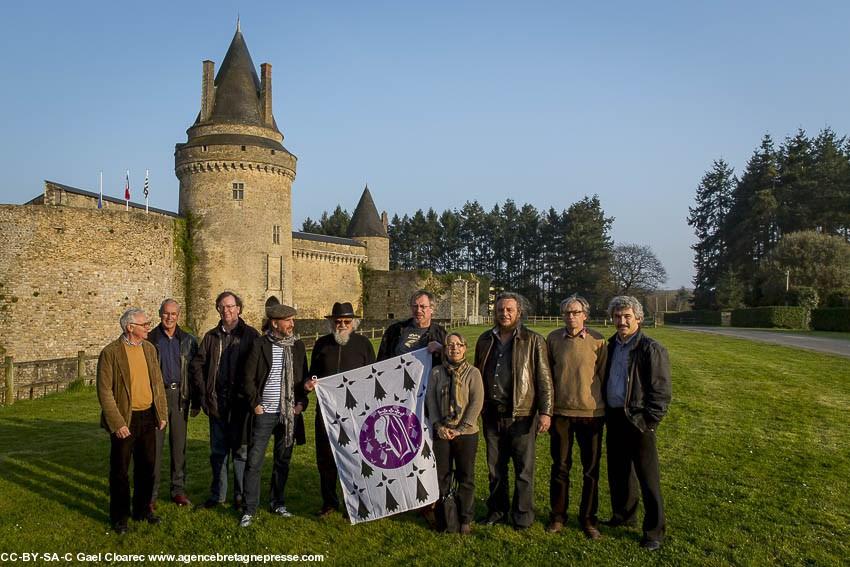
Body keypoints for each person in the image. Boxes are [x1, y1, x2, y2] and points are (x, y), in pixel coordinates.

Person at [474, 292, 552, 530]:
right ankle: (497, 510)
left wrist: (546, 411)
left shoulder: (534, 340)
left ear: (519, 312)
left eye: (509, 310)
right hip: (491, 414)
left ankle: (522, 515)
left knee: (523, 469)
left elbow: (544, 378)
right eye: (500, 310)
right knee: (495, 468)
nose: (504, 314)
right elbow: (477, 375)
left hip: (522, 414)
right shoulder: (485, 339)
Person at [602, 295, 672, 551]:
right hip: (614, 416)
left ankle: (654, 531)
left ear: (638, 319)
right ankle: (623, 516)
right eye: (618, 317)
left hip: (638, 419)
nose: (622, 321)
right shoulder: (610, 346)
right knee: (619, 473)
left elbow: (661, 391)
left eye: (627, 317)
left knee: (647, 477)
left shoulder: (650, 348)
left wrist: (649, 421)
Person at [96, 308, 167, 534]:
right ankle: (119, 517)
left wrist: (162, 414)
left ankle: (142, 510)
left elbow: (157, 384)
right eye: (144, 324)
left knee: (147, 468)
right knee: (120, 471)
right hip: (125, 418)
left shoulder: (149, 349)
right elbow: (104, 391)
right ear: (130, 327)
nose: (148, 327)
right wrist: (117, 423)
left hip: (147, 417)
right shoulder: (111, 353)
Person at [239, 303, 308, 527]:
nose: (292, 324)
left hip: (288, 414)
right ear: (274, 322)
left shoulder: (297, 346)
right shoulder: (260, 345)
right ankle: (249, 508)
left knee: (282, 461)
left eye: (292, 320)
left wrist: (301, 402)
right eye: (288, 320)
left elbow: (302, 378)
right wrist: (255, 404)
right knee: (254, 462)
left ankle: (277, 502)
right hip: (264, 413)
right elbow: (248, 378)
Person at [305, 302, 375, 517]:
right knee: (325, 459)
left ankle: (354, 503)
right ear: (331, 323)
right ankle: (329, 502)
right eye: (338, 322)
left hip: (355, 414)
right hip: (326, 413)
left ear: (353, 323)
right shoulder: (321, 344)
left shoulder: (363, 344)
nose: (342, 325)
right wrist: (309, 383)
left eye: (346, 321)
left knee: (354, 458)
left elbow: (373, 378)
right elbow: (313, 374)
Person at [190, 290, 260, 510]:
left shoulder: (251, 335)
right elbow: (197, 365)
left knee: (240, 452)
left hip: (240, 405)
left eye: (231, 306)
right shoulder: (211, 337)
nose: (227, 310)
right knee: (218, 453)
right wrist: (203, 393)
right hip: (217, 403)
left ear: (239, 308)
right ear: (218, 310)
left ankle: (240, 496)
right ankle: (218, 495)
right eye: (223, 307)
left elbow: (259, 369)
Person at [545, 295, 607, 539]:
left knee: (590, 470)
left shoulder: (598, 341)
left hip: (591, 414)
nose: (571, 316)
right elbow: (547, 374)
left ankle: (589, 519)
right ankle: (558, 516)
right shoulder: (553, 339)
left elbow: (603, 373)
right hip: (561, 413)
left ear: (585, 315)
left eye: (576, 312)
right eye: (567, 312)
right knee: (560, 467)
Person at [426, 332, 483, 535]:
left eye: (459, 345)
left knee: (465, 476)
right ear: (445, 349)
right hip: (442, 433)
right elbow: (431, 401)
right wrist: (438, 426)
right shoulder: (436, 373)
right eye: (450, 345)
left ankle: (465, 518)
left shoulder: (473, 373)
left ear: (464, 348)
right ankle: (446, 519)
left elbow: (476, 403)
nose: (455, 348)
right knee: (443, 476)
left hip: (466, 434)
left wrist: (460, 429)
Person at [148, 298, 198, 508]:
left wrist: (195, 400)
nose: (169, 318)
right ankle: (150, 494)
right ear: (160, 314)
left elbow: (194, 373)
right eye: (166, 313)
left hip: (180, 398)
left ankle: (177, 490)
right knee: (154, 449)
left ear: (179, 316)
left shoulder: (188, 340)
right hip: (156, 399)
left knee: (179, 448)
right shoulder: (150, 339)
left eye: (173, 314)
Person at [377, 289, 446, 366]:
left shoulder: (440, 334)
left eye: (423, 306)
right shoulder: (394, 331)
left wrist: (441, 349)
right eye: (415, 306)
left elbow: (453, 361)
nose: (418, 310)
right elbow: (381, 362)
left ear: (432, 309)